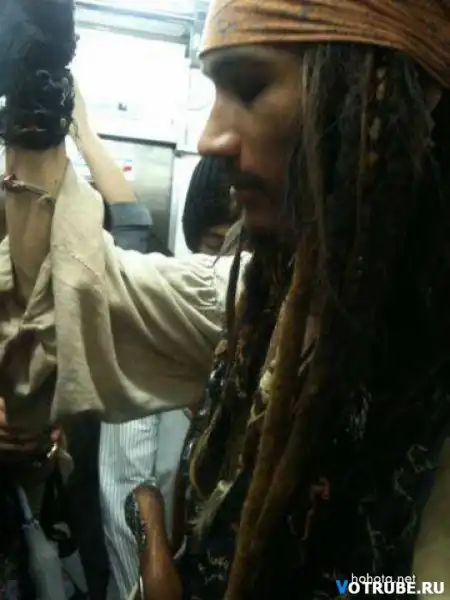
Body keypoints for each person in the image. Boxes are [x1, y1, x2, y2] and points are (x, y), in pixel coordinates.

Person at [2, 1, 450, 599]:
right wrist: (36, 103)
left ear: (378, 94)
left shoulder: (430, 366)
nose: (209, 138)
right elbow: (70, 297)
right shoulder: (255, 306)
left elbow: (417, 586)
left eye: (250, 86)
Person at [98, 152, 240, 600]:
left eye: (247, 246)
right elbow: (124, 483)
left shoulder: (267, 336)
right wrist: (144, 581)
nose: (234, 265)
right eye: (218, 245)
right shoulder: (165, 323)